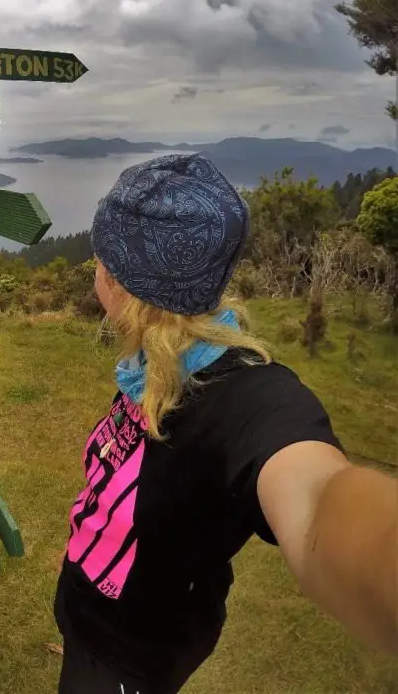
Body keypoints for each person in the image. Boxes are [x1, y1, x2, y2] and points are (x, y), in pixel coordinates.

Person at [53, 153, 398, 693]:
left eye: (101, 260)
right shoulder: (161, 364)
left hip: (128, 665)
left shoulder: (246, 396)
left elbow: (313, 494)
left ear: (119, 281)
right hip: (94, 623)